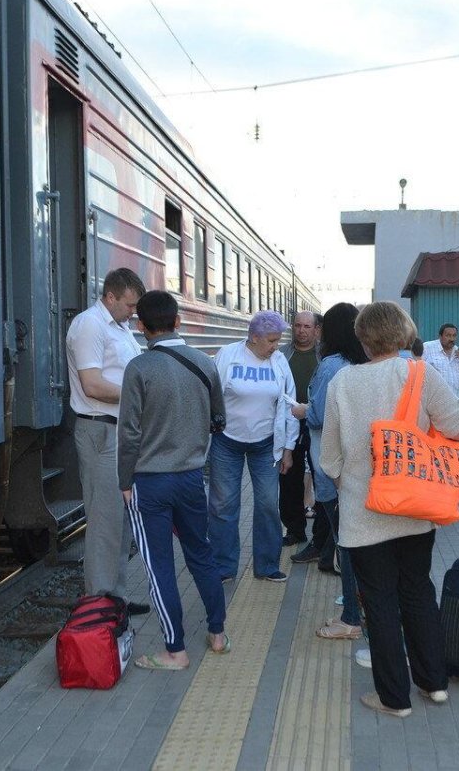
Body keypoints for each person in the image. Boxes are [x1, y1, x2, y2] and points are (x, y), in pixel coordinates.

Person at [320, 301, 459, 717]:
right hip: (416, 507)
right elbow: (457, 427)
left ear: (363, 339)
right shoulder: (423, 374)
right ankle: (434, 683)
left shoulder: (343, 382)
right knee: (419, 590)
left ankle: (393, 698)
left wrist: (349, 484)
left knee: (380, 601)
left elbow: (329, 458)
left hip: (364, 514)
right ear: (403, 333)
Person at [118, 291, 229, 670]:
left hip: (150, 483)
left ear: (141, 326)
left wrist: (124, 479)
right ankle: (217, 633)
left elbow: (129, 433)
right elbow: (219, 419)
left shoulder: (139, 368)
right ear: (178, 321)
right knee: (201, 553)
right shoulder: (204, 363)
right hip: (190, 479)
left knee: (159, 565)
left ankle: (175, 651)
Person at [65, 267, 150, 616]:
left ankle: (116, 597)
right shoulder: (89, 325)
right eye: (129, 305)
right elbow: (92, 385)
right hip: (101, 430)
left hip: (120, 431)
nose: (134, 313)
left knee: (120, 519)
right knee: (103, 522)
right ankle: (100, 603)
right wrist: (141, 396)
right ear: (110, 296)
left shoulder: (119, 327)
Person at [209, 311, 299, 583]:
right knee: (223, 505)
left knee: (268, 504)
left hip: (265, 444)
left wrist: (288, 448)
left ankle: (267, 565)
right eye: (271, 340)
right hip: (227, 441)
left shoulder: (280, 360)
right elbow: (212, 395)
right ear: (254, 337)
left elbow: (289, 403)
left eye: (277, 340)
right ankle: (224, 567)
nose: (275, 346)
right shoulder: (228, 355)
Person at [300, 303, 367, 638]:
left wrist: (302, 411)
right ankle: (355, 611)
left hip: (331, 466)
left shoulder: (330, 366)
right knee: (355, 544)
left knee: (347, 545)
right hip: (357, 467)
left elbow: (322, 416)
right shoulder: (363, 363)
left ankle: (352, 619)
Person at [281, 311, 320, 549]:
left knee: (319, 474)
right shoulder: (282, 354)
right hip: (288, 421)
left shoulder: (323, 355)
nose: (301, 330)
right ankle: (295, 530)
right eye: (297, 325)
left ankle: (319, 532)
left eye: (307, 326)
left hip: (315, 421)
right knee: (289, 478)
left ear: (316, 329)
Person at [422, 323, 459, 397]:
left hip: (454, 401)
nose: (452, 339)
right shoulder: (427, 347)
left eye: (454, 335)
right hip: (432, 401)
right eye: (448, 335)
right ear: (440, 336)